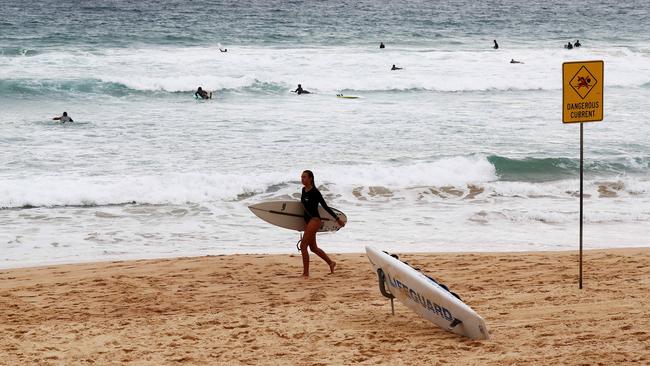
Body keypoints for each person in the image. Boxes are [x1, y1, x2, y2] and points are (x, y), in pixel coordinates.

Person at [299, 170, 344, 277]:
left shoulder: (315, 192)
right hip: (308, 222)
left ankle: (306, 273)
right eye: (301, 177)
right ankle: (331, 263)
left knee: (303, 245)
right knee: (313, 248)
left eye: (304, 177)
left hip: (315, 220)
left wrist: (337, 219)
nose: (302, 179)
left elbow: (325, 207)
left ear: (310, 178)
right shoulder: (303, 190)